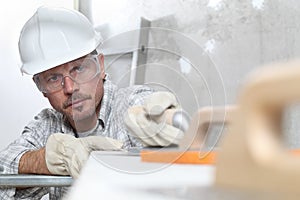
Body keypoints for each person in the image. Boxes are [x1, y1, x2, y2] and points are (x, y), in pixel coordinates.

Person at [0, 6, 184, 199]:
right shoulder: (47, 125)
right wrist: (48, 159)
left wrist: (166, 120)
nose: (70, 88)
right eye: (53, 78)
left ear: (101, 66)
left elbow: (149, 109)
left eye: (78, 69)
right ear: (41, 88)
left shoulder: (131, 106)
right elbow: (5, 162)